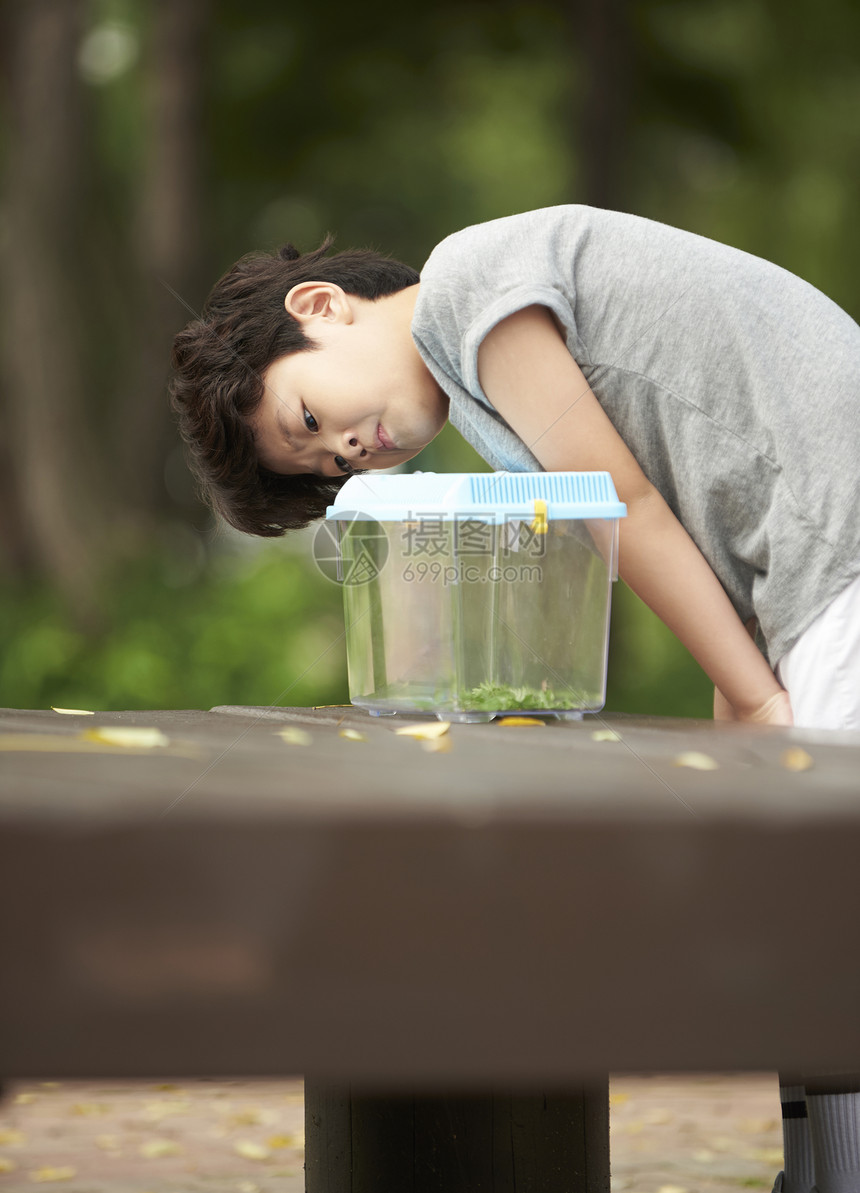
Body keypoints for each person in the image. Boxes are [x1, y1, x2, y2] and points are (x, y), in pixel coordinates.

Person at [171, 204, 860, 1193]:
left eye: (310, 418)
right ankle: (821, 1161)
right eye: (327, 464)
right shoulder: (483, 387)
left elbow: (623, 499)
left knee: (835, 896)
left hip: (836, 540)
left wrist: (756, 701)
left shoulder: (467, 284)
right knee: (806, 894)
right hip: (804, 558)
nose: (349, 450)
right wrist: (740, 685)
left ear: (322, 306)